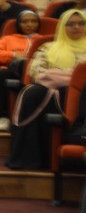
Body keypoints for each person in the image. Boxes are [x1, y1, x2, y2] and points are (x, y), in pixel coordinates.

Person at [6, 9, 86, 169]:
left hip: (81, 96)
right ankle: (30, 158)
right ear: (62, 27)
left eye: (81, 23)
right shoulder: (48, 47)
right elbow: (36, 72)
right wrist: (73, 76)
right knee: (32, 92)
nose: (76, 27)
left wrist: (61, 76)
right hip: (50, 90)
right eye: (71, 24)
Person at [0, 9, 43, 131]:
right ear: (18, 24)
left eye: (33, 21)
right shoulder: (8, 39)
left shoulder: (44, 40)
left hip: (36, 73)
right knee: (0, 74)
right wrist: (13, 55)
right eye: (25, 22)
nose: (29, 24)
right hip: (12, 72)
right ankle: (2, 117)